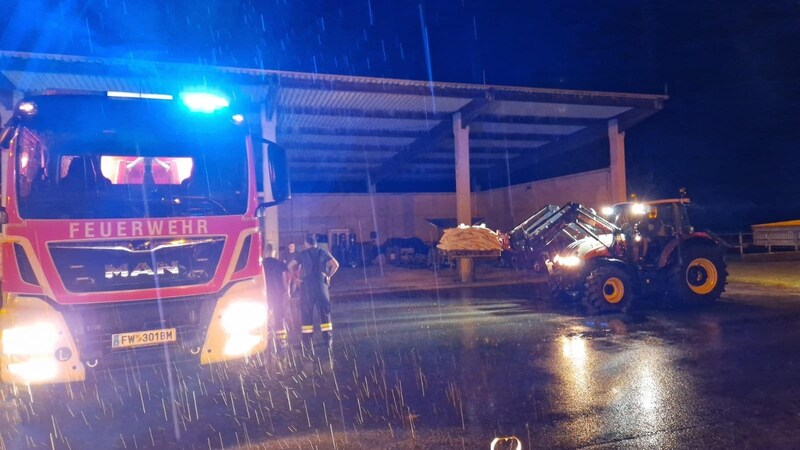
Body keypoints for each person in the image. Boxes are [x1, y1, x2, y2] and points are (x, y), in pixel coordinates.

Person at [297, 234, 339, 352]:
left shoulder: (303, 254)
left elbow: (291, 266)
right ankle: (328, 340)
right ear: (316, 244)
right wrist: (328, 276)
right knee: (325, 313)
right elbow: (336, 264)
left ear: (306, 244)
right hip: (321, 284)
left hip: (307, 285)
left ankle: (307, 342)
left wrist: (297, 279)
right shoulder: (323, 252)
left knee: (306, 313)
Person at [263, 243, 291, 349]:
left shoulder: (262, 265)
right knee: (279, 316)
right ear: (274, 252)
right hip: (278, 293)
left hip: (265, 294)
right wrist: (287, 291)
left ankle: (268, 341)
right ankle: (281, 341)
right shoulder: (279, 264)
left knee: (267, 316)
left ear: (266, 252)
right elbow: (284, 279)